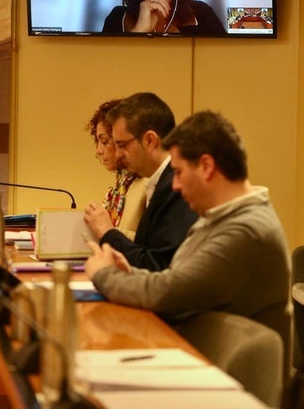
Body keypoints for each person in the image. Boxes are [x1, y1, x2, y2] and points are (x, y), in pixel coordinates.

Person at [85, 110, 291, 335]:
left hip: (220, 366)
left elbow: (171, 293)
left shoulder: (246, 229)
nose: (175, 185)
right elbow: (175, 277)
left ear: (206, 166)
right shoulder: (218, 218)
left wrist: (104, 275)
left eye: (179, 172)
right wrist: (129, 275)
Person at [84, 92, 198, 271]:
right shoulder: (161, 181)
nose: (119, 154)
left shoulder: (176, 186)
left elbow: (156, 267)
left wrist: (107, 232)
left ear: (150, 141)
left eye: (122, 145)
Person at [86, 99, 147, 241]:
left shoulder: (147, 184)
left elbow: (149, 244)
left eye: (105, 141)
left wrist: (106, 231)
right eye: (98, 141)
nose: (98, 151)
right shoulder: (121, 185)